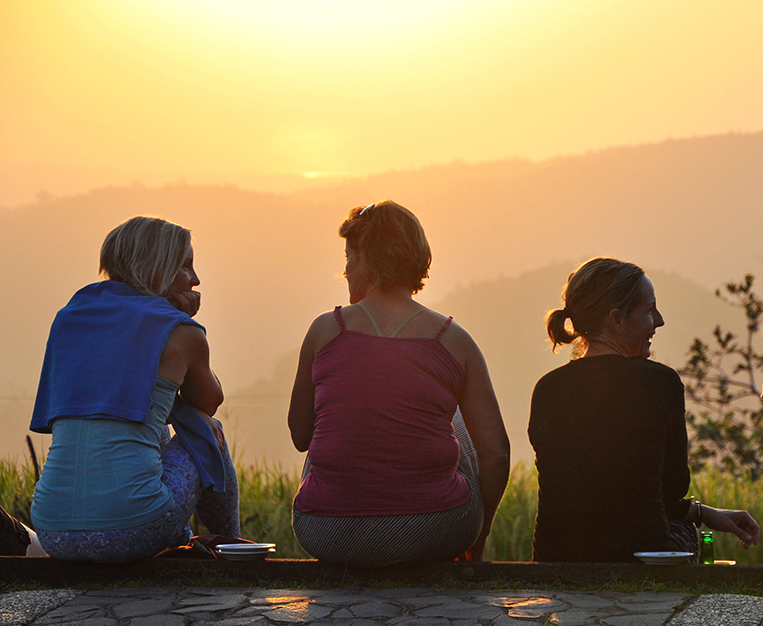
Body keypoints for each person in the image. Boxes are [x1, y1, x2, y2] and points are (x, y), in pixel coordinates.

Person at [288, 200, 510, 566]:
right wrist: (478, 534)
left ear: (368, 263)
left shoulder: (324, 331)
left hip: (326, 531)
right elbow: (497, 454)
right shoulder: (454, 340)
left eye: (349, 257)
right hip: (436, 529)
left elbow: (300, 436)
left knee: (329, 424)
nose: (345, 271)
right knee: (457, 423)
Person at [29, 216, 240, 563]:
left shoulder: (69, 317)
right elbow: (208, 402)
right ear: (157, 267)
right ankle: (233, 548)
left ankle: (184, 541)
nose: (196, 279)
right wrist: (187, 325)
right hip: (133, 531)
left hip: (53, 530)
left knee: (147, 422)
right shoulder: (180, 331)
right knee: (207, 429)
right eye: (185, 266)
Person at [529, 257, 760, 561]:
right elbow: (671, 487)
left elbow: (588, 486)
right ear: (616, 320)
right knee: (687, 536)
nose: (659, 320)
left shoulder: (548, 388)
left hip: (554, 556)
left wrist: (705, 512)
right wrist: (696, 516)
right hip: (640, 555)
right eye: (649, 310)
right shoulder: (659, 382)